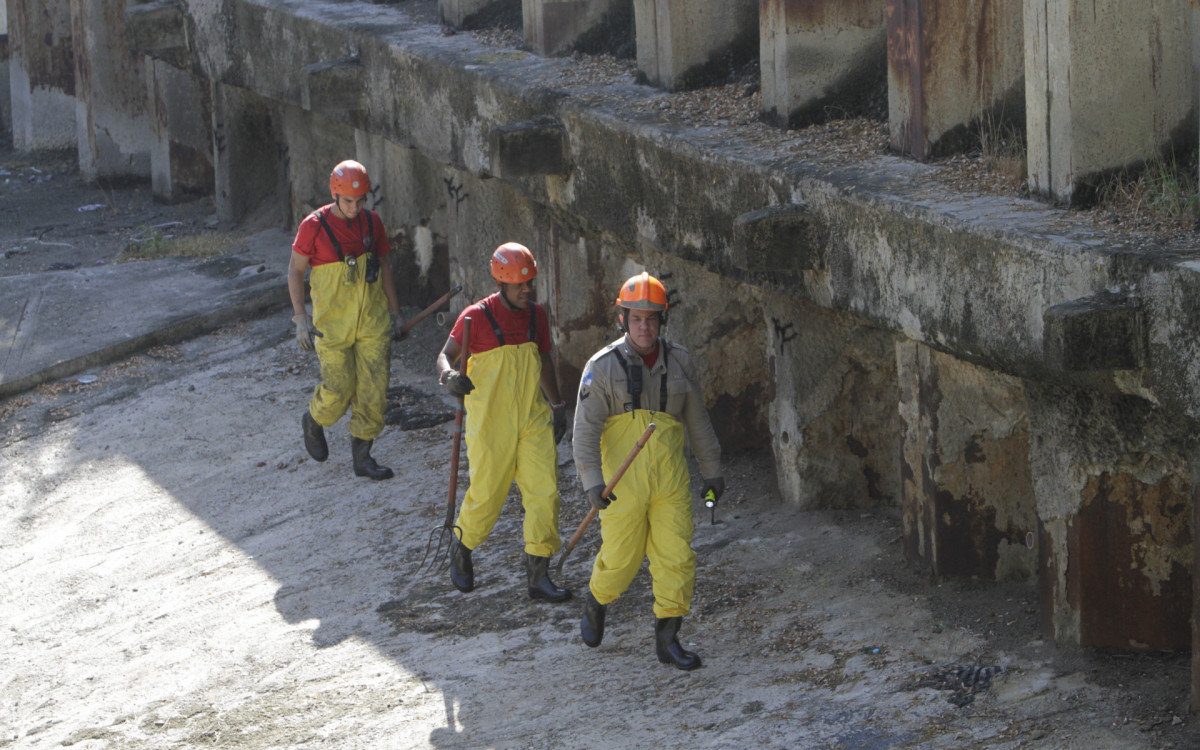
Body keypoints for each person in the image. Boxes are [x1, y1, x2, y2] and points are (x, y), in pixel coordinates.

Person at [572, 271, 724, 670]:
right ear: (623, 319)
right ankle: (597, 600)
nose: (644, 326)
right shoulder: (601, 367)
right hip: (621, 484)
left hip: (670, 480)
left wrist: (712, 472)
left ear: (662, 321)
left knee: (676, 557)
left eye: (652, 319)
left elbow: (699, 422)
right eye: (636, 318)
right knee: (622, 558)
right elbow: (584, 433)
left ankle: (668, 637)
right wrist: (593, 484)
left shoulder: (680, 361)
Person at [435, 242, 572, 604]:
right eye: (520, 285)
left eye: (530, 282)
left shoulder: (536, 316)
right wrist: (449, 377)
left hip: (532, 418)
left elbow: (543, 359)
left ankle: (538, 575)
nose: (527, 289)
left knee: (545, 493)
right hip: (489, 423)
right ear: (502, 283)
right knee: (487, 495)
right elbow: (445, 356)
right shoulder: (474, 318)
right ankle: (462, 546)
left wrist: (557, 405)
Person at [288, 160, 405, 481]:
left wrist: (395, 313)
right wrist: (301, 318)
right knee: (339, 388)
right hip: (333, 326)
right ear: (335, 195)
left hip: (372, 322)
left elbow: (384, 269)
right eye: (349, 201)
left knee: (373, 390)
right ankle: (314, 420)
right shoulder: (313, 226)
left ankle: (363, 457)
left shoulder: (373, 223)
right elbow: (296, 271)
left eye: (361, 200)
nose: (355, 208)